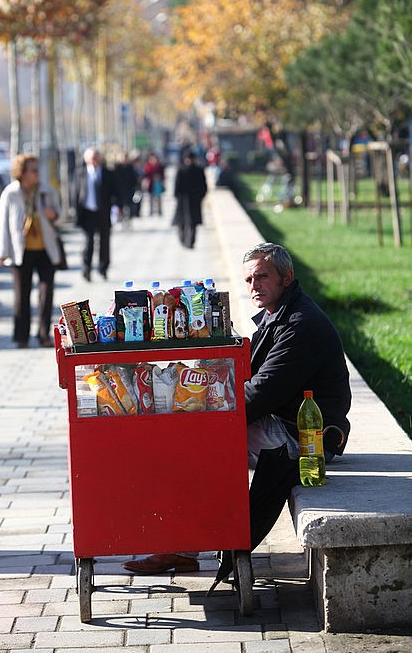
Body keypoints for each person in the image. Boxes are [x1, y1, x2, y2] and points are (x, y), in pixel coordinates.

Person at [123, 242, 351, 574]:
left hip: (305, 438)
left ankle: (182, 545)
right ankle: (185, 542)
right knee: (196, 437)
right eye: (248, 280)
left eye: (262, 277)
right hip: (286, 423)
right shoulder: (281, 313)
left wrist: (205, 416)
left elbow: (260, 394)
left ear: (287, 277)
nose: (254, 286)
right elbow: (248, 377)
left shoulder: (299, 325)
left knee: (201, 444)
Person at [0, 154, 62, 348]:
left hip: (45, 249)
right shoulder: (11, 193)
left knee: (46, 292)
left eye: (37, 169)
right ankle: (21, 336)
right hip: (20, 250)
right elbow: (2, 224)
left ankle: (44, 334)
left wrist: (53, 214)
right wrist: (1, 251)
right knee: (22, 295)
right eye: (33, 170)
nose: (37, 173)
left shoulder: (45, 191)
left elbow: (59, 214)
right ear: (22, 173)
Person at [74, 147, 119, 282]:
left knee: (104, 242)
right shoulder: (80, 173)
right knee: (88, 242)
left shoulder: (108, 173)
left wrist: (116, 207)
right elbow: (74, 192)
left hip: (103, 212)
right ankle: (86, 268)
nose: (94, 160)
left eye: (96, 157)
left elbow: (115, 191)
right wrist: (75, 211)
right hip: (87, 212)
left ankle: (103, 268)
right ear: (86, 159)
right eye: (91, 158)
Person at [173, 150, 207, 248]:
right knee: (192, 222)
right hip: (192, 200)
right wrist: (200, 197)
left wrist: (177, 197)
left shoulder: (181, 170)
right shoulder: (198, 170)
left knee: (184, 222)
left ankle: (185, 241)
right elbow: (204, 187)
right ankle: (190, 242)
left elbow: (176, 187)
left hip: (184, 200)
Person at [114, 151, 139, 228]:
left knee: (129, 206)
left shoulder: (130, 167)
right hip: (119, 191)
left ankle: (128, 220)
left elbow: (134, 179)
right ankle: (122, 220)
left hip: (129, 190)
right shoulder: (117, 168)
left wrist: (135, 188)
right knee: (120, 206)